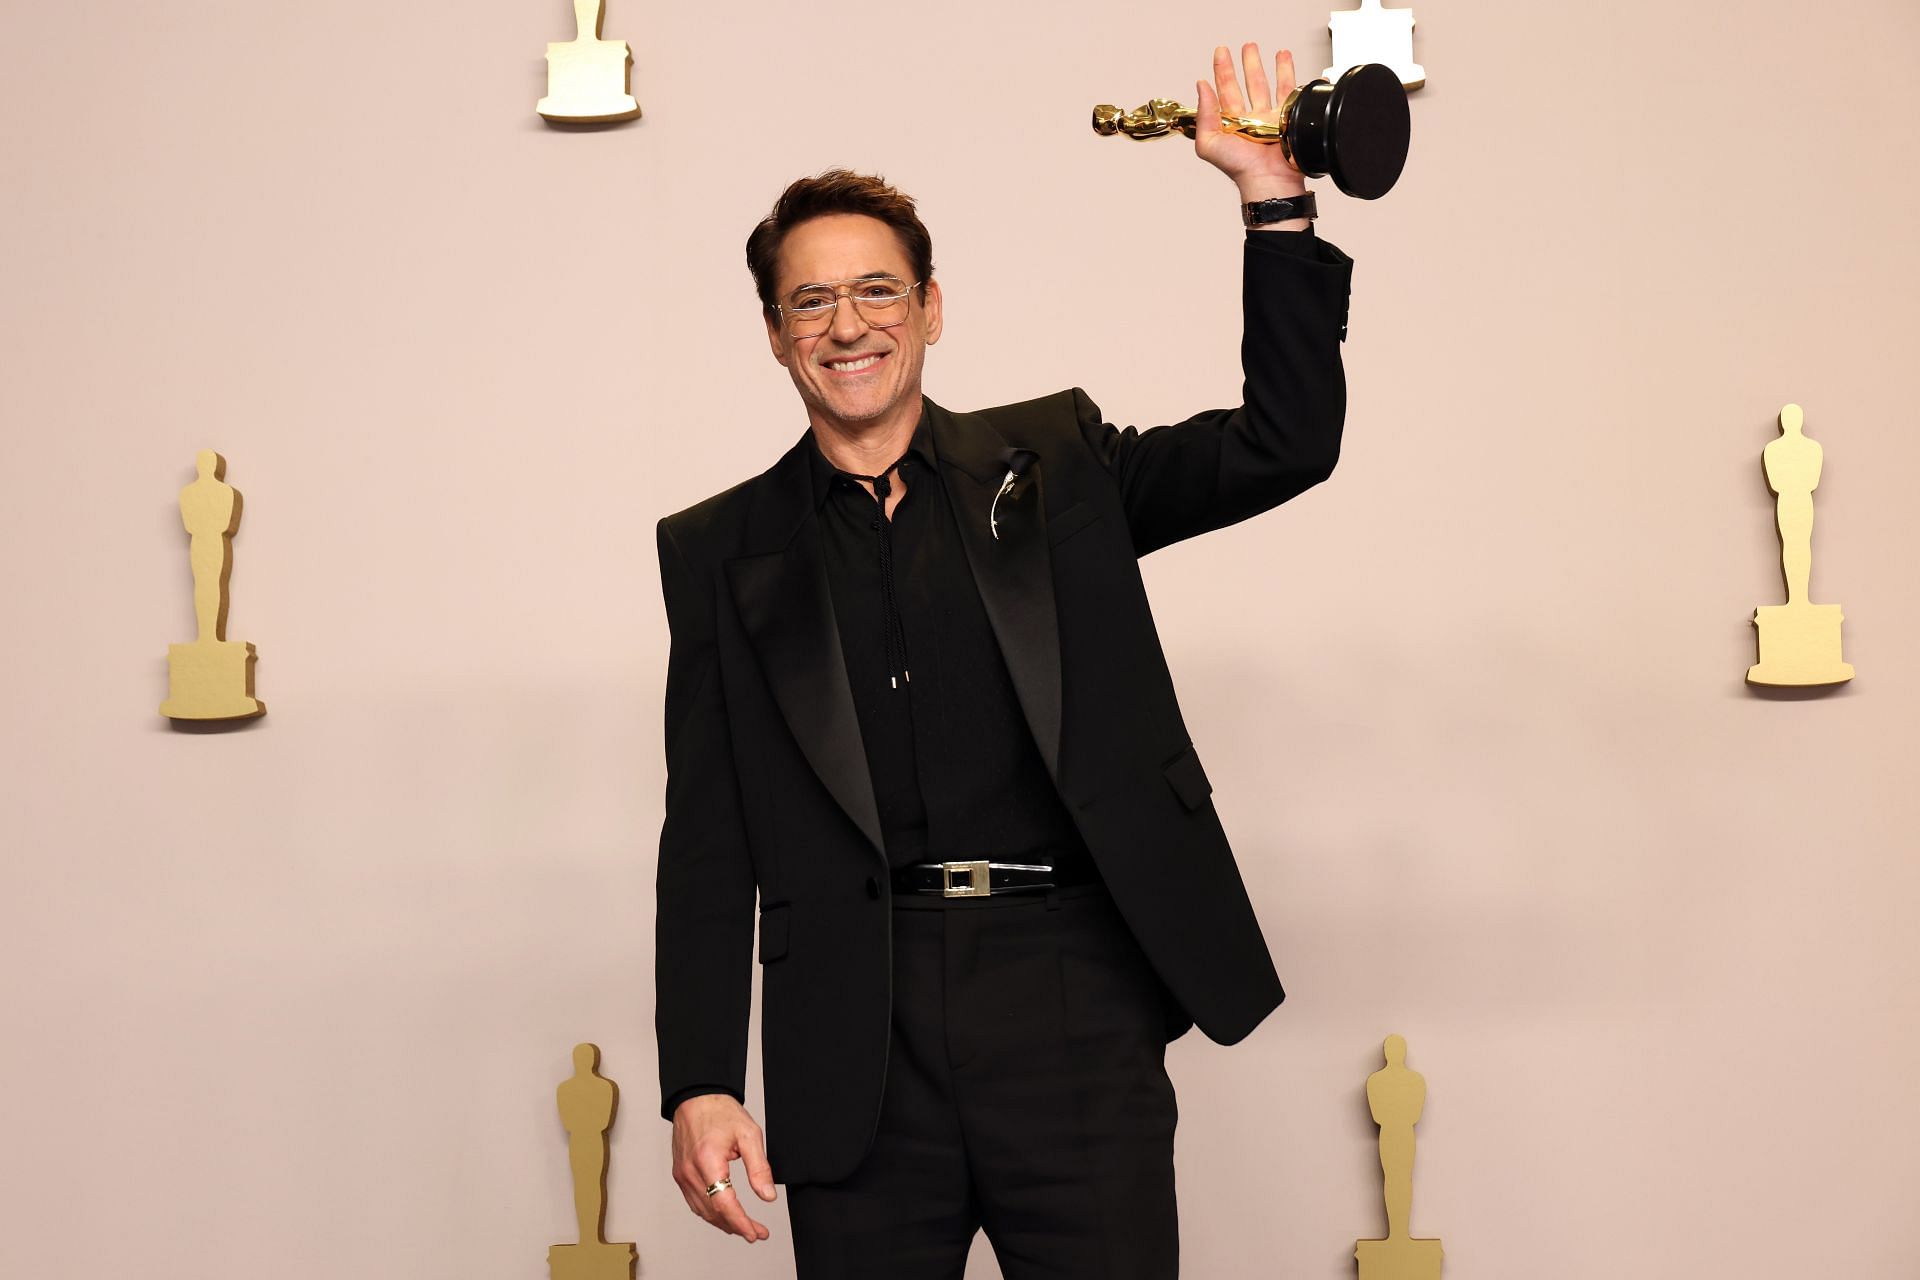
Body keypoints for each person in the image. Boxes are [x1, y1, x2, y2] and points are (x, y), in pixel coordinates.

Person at [654, 42, 1355, 1279]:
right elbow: (708, 836)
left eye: (877, 291)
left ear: (930, 307)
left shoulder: (1061, 468)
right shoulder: (720, 551)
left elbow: (1284, 443)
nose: (848, 325)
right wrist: (702, 1075)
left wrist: (1272, 201)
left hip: (1071, 996)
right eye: (811, 301)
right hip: (854, 1040)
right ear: (774, 334)